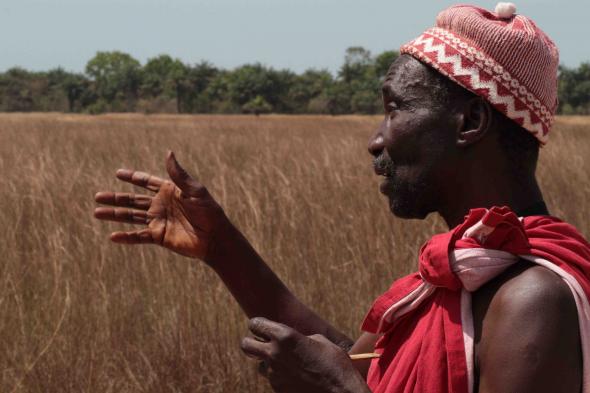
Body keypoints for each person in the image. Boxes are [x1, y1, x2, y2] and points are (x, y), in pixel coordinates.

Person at [94, 3, 590, 393]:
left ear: (469, 123)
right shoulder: (463, 270)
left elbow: (345, 378)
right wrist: (220, 245)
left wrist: (334, 389)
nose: (377, 140)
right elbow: (357, 363)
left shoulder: (532, 301)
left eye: (396, 109)